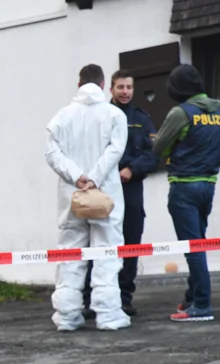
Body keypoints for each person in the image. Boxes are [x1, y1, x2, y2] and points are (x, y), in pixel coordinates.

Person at [45, 64, 131, 332]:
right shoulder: (114, 114)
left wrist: (77, 177)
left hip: (72, 195)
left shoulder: (61, 117)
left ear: (78, 84)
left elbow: (52, 153)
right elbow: (115, 150)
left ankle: (68, 315)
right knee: (107, 253)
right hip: (105, 195)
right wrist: (94, 177)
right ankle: (108, 315)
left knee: (70, 253)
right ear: (105, 85)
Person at [151, 64, 220, 322]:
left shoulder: (180, 113)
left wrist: (160, 141)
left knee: (193, 248)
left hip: (184, 187)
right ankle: (192, 298)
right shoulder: (219, 112)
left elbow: (159, 148)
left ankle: (202, 306)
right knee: (199, 244)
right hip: (208, 186)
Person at [82, 69, 159, 320]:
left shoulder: (141, 118)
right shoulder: (100, 116)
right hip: (103, 187)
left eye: (129, 87)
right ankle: (91, 300)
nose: (125, 92)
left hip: (130, 187)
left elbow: (153, 153)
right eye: (120, 87)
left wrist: (131, 169)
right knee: (97, 241)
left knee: (130, 242)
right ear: (110, 89)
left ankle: (124, 298)